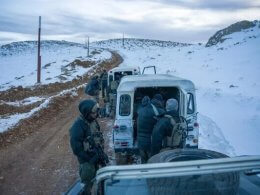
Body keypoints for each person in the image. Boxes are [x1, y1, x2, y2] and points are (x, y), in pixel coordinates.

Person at [69, 100, 105, 195]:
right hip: (87, 164)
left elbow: (98, 137)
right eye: (94, 113)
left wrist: (100, 154)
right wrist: (90, 159)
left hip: (95, 159)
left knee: (100, 182)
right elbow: (76, 149)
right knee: (86, 188)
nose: (96, 114)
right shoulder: (78, 126)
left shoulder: (93, 121)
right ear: (87, 113)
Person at [137, 94, 165, 163]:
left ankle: (143, 172)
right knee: (151, 162)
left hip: (140, 142)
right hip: (150, 142)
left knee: (143, 161)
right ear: (159, 101)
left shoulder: (140, 110)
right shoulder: (157, 110)